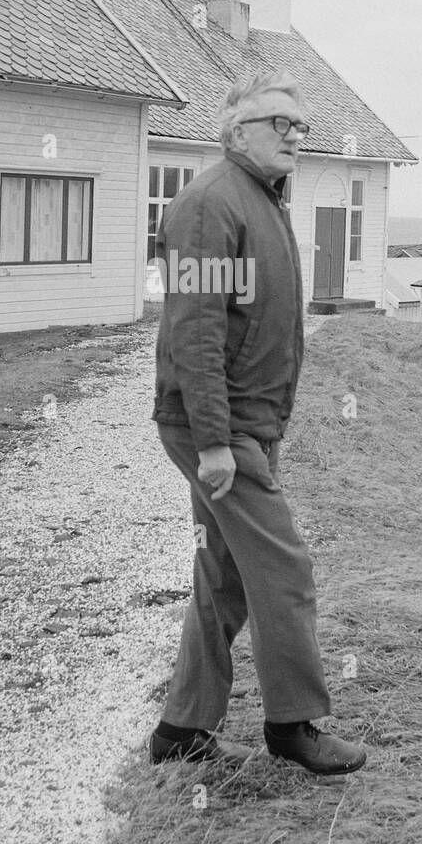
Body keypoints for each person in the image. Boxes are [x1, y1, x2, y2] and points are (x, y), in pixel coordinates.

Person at [149, 69, 366, 776]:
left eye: (300, 127)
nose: (295, 137)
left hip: (247, 425)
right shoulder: (210, 205)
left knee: (225, 574)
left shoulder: (258, 198)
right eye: (281, 124)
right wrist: (214, 441)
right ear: (238, 130)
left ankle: (181, 729)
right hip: (219, 428)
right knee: (283, 566)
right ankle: (293, 723)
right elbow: (195, 331)